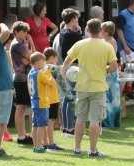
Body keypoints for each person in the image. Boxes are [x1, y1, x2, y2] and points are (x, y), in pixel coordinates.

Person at [61, 18, 118, 157]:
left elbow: (67, 62)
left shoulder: (80, 44)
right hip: (98, 87)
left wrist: (64, 74)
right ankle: (93, 150)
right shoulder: (107, 46)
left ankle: (77, 148)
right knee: (95, 121)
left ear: (88, 29)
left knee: (80, 119)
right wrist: (105, 70)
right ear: (100, 30)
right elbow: (114, 66)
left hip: (82, 86)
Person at [28, 52, 57, 153]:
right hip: (42, 102)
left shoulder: (31, 73)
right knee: (41, 125)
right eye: (43, 62)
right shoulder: (41, 73)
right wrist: (49, 71)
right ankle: (39, 145)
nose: (44, 64)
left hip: (34, 101)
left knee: (35, 125)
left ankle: (35, 145)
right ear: (37, 63)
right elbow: (51, 82)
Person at [10, 21, 33, 145]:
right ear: (16, 32)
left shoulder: (21, 43)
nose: (25, 34)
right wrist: (31, 42)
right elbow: (33, 57)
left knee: (22, 107)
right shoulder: (18, 44)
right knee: (20, 107)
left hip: (22, 77)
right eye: (23, 31)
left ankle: (23, 135)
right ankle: (21, 136)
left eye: (26, 31)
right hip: (21, 78)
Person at [101, 21, 121, 128]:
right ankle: (111, 122)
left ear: (106, 31)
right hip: (109, 71)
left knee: (112, 98)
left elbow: (110, 59)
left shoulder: (110, 42)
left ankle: (111, 123)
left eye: (102, 29)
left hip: (110, 71)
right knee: (110, 98)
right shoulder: (106, 41)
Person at [43, 48, 64, 150]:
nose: (56, 61)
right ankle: (51, 143)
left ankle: (45, 142)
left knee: (46, 122)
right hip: (52, 98)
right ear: (52, 58)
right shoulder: (52, 68)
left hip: (45, 98)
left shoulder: (42, 68)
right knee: (50, 122)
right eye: (56, 58)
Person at [0, 23, 13, 156]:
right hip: (3, 88)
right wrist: (2, 24)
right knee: (2, 120)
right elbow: (6, 32)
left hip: (3, 87)